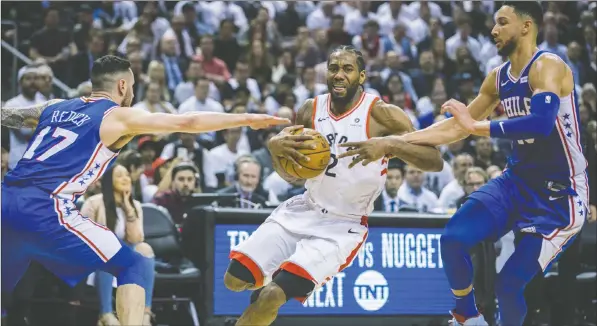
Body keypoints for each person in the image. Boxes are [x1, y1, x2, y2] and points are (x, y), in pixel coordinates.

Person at [339, 2, 588, 326]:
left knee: (508, 286)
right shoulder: (498, 78)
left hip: (561, 196)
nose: (493, 30)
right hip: (517, 182)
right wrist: (393, 143)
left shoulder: (549, 66)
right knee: (454, 237)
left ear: (526, 27)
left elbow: (539, 124)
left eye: (502, 22)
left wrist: (475, 126)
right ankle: (466, 315)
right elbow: (456, 127)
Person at [0, 55, 289, 326]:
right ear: (122, 85)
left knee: (4, 293)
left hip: (5, 197)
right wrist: (248, 119)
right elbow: (186, 122)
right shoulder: (116, 116)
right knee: (135, 264)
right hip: (45, 208)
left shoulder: (54, 106)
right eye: (133, 87)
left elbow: (9, 115)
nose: (134, 93)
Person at [222, 45, 442, 326]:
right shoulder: (310, 110)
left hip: (342, 226)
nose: (339, 75)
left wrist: (390, 145)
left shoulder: (382, 115)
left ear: (361, 76)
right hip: (304, 208)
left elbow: (434, 160)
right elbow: (293, 177)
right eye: (333, 68)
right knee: (234, 280)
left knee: (272, 297)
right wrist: (274, 149)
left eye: (347, 69)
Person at [81, 164, 155, 326]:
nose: (125, 179)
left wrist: (129, 211)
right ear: (109, 181)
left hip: (124, 256)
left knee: (145, 249)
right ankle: (105, 313)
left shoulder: (135, 205)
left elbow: (136, 239)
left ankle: (145, 313)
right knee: (110, 248)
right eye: (119, 175)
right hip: (97, 257)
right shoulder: (94, 203)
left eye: (127, 175)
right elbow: (83, 237)